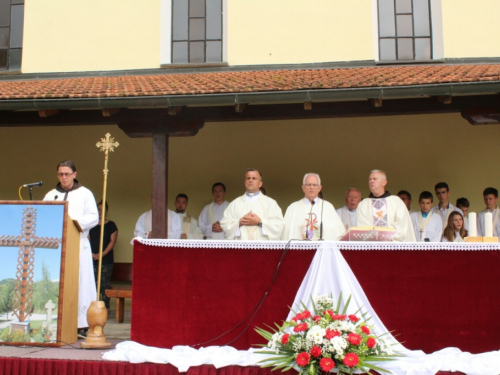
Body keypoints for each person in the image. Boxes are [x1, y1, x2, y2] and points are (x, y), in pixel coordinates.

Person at [43, 160, 99, 337]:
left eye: (67, 174)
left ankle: (81, 324)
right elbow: (43, 214)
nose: (64, 177)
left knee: (81, 281)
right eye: (60, 174)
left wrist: (73, 224)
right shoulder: (51, 195)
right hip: (55, 246)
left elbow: (93, 217)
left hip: (78, 243)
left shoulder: (85, 194)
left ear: (74, 174)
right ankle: (55, 323)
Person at [221, 169, 284, 240]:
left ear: (260, 183)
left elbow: (279, 224)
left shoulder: (270, 203)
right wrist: (239, 222)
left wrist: (260, 222)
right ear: (245, 183)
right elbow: (225, 223)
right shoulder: (235, 203)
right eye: (248, 178)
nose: (250, 180)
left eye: (254, 178)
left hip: (262, 248)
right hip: (241, 247)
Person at [356, 169, 416, 242]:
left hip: (393, 248)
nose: (371, 181)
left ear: (384, 182)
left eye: (375, 179)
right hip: (371, 248)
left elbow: (402, 226)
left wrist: (384, 236)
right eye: (370, 179)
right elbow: (361, 227)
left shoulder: (396, 202)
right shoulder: (363, 204)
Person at [282, 173, 345, 241]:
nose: (311, 187)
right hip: (300, 250)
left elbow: (338, 233)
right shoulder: (293, 208)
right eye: (308, 185)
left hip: (323, 250)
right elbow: (286, 233)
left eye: (314, 185)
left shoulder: (328, 207)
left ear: (319, 188)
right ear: (303, 188)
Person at [89, 201, 118, 310]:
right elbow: (87, 240)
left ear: (107, 211)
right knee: (92, 285)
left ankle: (104, 309)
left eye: (102, 209)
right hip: (91, 259)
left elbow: (112, 241)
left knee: (104, 286)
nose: (100, 212)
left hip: (106, 261)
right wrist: (91, 254)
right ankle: (92, 309)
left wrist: (102, 254)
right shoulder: (91, 225)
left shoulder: (111, 225)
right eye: (98, 209)